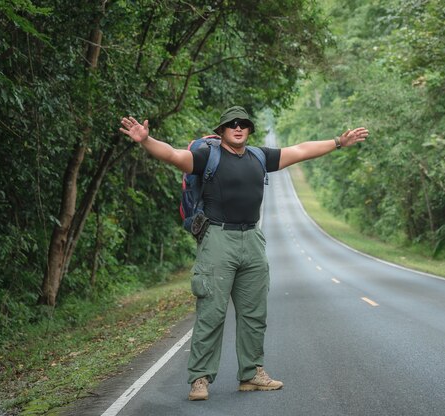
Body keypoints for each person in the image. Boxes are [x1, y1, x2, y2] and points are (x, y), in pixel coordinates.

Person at [119, 106, 368, 401]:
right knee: (212, 312)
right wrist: (146, 140)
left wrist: (338, 142)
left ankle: (251, 374)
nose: (238, 128)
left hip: (252, 238)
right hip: (217, 239)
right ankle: (200, 379)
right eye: (232, 124)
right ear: (222, 130)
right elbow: (173, 156)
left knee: (254, 313)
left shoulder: (259, 158)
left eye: (244, 124)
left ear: (249, 129)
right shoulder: (206, 158)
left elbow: (301, 150)